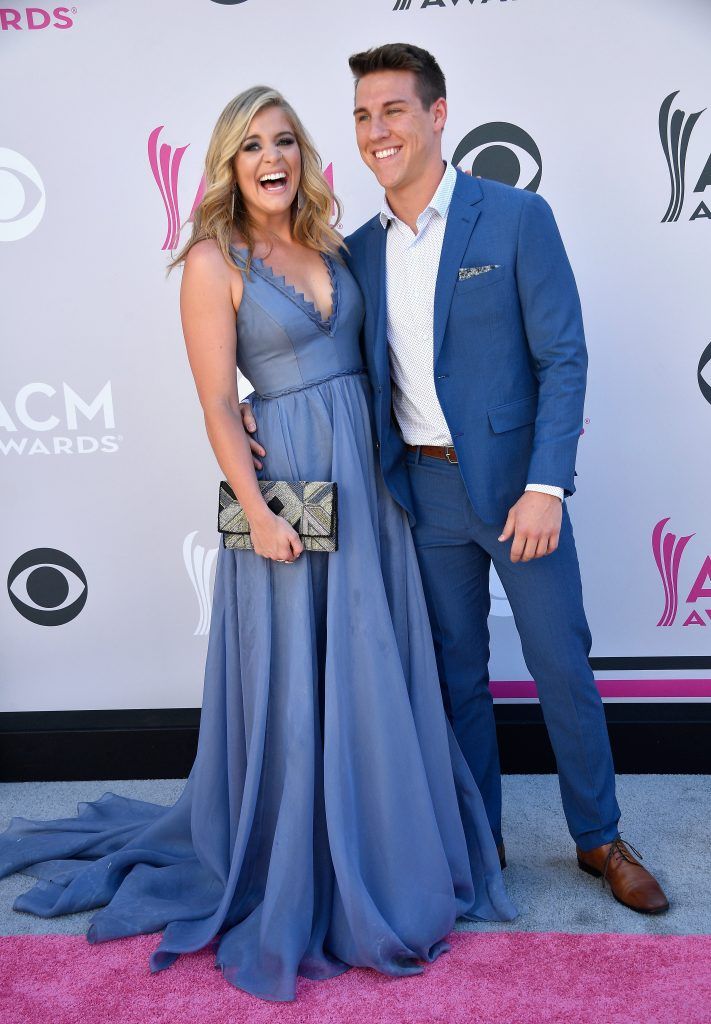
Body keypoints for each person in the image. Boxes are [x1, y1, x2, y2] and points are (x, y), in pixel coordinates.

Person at [0, 86, 516, 1004]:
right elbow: (213, 403)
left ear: (302, 155)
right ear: (228, 165)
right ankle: (302, 856)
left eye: (284, 141)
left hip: (368, 480)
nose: (271, 158)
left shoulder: (329, 240)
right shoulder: (211, 260)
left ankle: (383, 840)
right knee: (302, 679)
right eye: (251, 148)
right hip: (291, 499)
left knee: (374, 665)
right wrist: (260, 510)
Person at [240, 43, 671, 915]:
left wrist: (547, 485)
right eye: (362, 116)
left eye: (393, 110)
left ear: (437, 115)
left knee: (560, 666)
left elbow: (563, 357)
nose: (376, 131)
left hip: (519, 496)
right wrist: (253, 403)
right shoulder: (355, 249)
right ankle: (482, 842)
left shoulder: (514, 218)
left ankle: (598, 837)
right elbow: (322, 351)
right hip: (421, 496)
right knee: (454, 676)